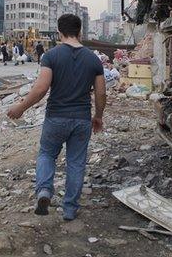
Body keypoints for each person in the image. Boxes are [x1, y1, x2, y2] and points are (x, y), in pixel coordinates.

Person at [8, 14, 106, 221]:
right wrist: (98, 116)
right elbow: (101, 93)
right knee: (76, 163)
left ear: (59, 32)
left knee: (46, 154)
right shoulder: (93, 59)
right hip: (81, 119)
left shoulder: (51, 56)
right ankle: (69, 209)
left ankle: (44, 191)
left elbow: (41, 88)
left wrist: (21, 108)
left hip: (56, 117)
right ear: (80, 32)